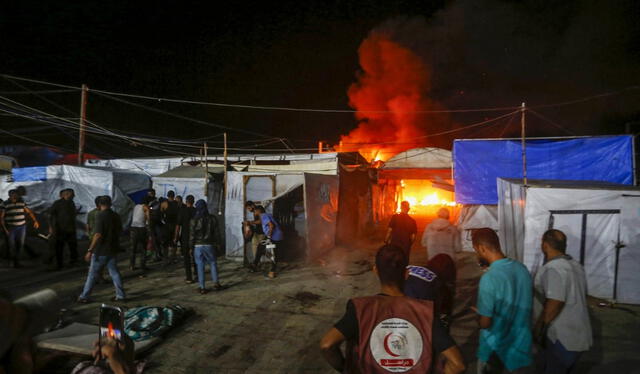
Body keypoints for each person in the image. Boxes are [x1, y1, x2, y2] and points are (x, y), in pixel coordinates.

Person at [320, 244, 465, 374]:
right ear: (406, 274)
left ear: (375, 271)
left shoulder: (360, 309)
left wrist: (347, 368)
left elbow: (327, 345)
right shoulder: (425, 312)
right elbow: (458, 365)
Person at [471, 228, 533, 373]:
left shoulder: (489, 278)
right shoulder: (522, 268)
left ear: (482, 248)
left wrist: (478, 316)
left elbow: (485, 323)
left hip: (496, 350)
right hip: (521, 345)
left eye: (477, 251)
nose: (477, 255)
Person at [533, 229, 592, 374]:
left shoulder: (553, 269)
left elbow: (555, 302)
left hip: (561, 337)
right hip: (579, 334)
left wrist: (539, 328)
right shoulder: (576, 265)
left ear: (545, 245)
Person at [78, 196, 125, 303]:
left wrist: (90, 250)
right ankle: (121, 295)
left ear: (99, 204)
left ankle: (84, 296)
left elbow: (98, 235)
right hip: (112, 248)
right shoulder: (115, 215)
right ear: (110, 204)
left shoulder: (100, 215)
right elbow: (120, 231)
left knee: (92, 275)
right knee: (114, 273)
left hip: (100, 250)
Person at [0, 189, 40, 268]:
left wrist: (35, 221)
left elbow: (29, 211)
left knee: (20, 245)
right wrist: (5, 229)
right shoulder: (4, 204)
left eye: (16, 194)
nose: (15, 196)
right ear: (10, 195)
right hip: (11, 227)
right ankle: (13, 261)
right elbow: (1, 217)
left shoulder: (21, 202)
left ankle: (16, 261)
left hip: (22, 226)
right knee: (12, 245)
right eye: (13, 194)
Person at [189, 199, 221, 294]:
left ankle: (202, 287)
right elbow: (217, 233)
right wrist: (218, 244)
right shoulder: (212, 218)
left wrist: (190, 247)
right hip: (209, 244)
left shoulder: (193, 220)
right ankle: (216, 283)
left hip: (198, 246)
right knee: (213, 263)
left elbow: (191, 236)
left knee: (200, 266)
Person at [250, 206, 283, 278]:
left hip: (274, 236)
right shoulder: (267, 215)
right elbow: (261, 222)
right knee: (262, 248)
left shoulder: (263, 216)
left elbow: (271, 225)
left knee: (262, 248)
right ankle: (256, 265)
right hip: (278, 235)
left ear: (258, 211)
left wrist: (269, 237)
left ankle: (270, 270)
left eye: (255, 211)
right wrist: (251, 222)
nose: (254, 213)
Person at [50, 188, 79, 269]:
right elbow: (51, 215)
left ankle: (73, 261)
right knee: (59, 247)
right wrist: (51, 227)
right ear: (65, 194)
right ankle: (59, 264)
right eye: (72, 194)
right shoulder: (57, 203)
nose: (74, 195)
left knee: (73, 246)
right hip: (61, 229)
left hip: (71, 229)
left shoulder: (71, 203)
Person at [175, 195, 197, 283]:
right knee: (196, 256)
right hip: (195, 236)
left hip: (185, 236)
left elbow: (178, 225)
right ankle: (197, 272)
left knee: (186, 258)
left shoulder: (182, 211)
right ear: (193, 201)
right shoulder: (196, 211)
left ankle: (189, 277)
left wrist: (175, 236)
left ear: (186, 201)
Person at [129, 196, 150, 272]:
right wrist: (149, 228)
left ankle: (132, 265)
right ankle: (142, 266)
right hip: (141, 228)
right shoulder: (146, 207)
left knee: (133, 248)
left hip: (133, 228)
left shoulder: (136, 206)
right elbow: (148, 219)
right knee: (143, 248)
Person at [243, 200, 265, 265]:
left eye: (249, 208)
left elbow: (262, 221)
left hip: (262, 232)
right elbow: (257, 222)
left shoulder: (259, 209)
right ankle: (256, 263)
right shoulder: (255, 211)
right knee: (254, 246)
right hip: (257, 232)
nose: (249, 210)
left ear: (252, 205)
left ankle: (257, 263)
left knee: (259, 248)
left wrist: (250, 222)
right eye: (247, 209)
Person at [162, 191, 179, 265]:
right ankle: (173, 258)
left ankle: (165, 259)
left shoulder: (164, 204)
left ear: (167, 196)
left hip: (167, 225)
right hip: (175, 225)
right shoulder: (177, 204)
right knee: (174, 243)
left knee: (166, 243)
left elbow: (161, 214)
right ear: (173, 196)